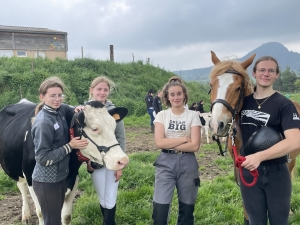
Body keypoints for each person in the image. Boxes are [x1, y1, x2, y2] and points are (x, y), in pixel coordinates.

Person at [238, 56, 300, 225]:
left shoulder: (284, 104)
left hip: (276, 173)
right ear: (254, 73)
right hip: (249, 172)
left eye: (271, 70)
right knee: (255, 221)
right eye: (262, 70)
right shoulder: (242, 103)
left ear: (277, 75)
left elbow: (295, 141)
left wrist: (259, 156)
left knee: (279, 222)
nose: (266, 73)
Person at [31, 76, 88, 225]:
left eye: (60, 95)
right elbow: (42, 158)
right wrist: (70, 146)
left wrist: (78, 108)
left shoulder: (59, 109)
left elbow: (68, 108)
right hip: (47, 182)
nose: (57, 99)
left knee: (55, 219)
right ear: (42, 97)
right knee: (52, 221)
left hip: (60, 177)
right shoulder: (44, 122)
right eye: (52, 96)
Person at [152, 76, 201, 225]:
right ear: (167, 97)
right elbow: (159, 143)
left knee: (186, 211)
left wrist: (169, 142)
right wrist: (184, 139)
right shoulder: (162, 115)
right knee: (160, 212)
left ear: (184, 94)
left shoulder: (193, 116)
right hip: (165, 163)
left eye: (179, 93)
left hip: (188, 163)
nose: (176, 97)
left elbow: (195, 146)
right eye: (172, 94)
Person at [85, 76, 126, 225]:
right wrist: (87, 160)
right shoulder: (84, 111)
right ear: (92, 90)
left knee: (111, 195)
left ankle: (109, 222)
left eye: (105, 90)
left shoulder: (113, 111)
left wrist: (120, 164)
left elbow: (121, 138)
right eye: (99, 89)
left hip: (113, 158)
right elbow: (83, 139)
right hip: (96, 161)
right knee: (102, 196)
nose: (102, 92)